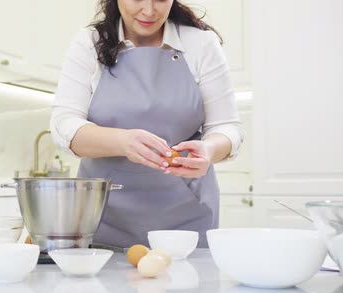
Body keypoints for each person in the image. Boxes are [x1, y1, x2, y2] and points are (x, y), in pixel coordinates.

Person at [50, 0, 244, 248]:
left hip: (186, 220)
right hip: (102, 213)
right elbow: (63, 125)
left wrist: (209, 150)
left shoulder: (201, 44)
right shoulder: (89, 42)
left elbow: (227, 127)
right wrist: (123, 141)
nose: (149, 10)